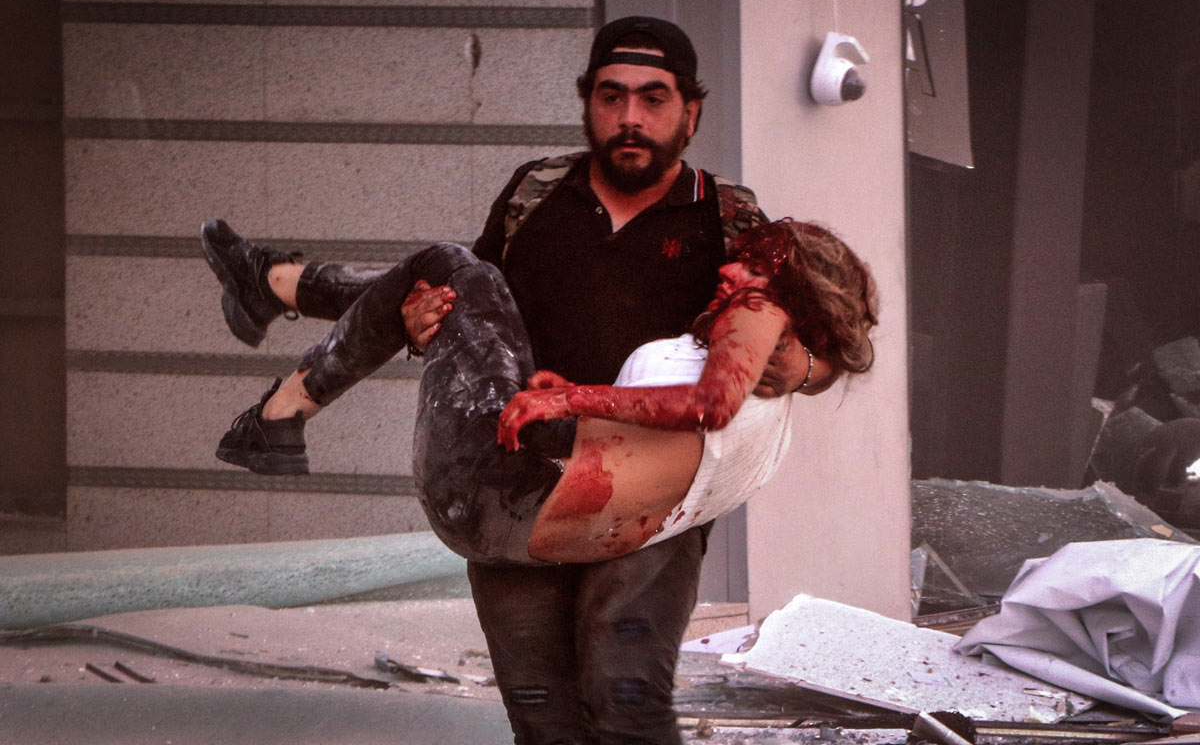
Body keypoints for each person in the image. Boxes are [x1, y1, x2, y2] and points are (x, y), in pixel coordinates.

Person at [201, 16, 834, 744]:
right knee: (541, 718)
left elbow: (827, 348)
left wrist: (800, 367)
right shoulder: (534, 192)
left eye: (654, 98)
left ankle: (280, 294)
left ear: (692, 112)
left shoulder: (731, 220)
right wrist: (416, 326)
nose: (630, 117)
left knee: (625, 706)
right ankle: (280, 290)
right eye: (610, 95)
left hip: (643, 499)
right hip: (520, 473)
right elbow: (465, 311)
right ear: (585, 100)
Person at [210, 219, 876, 563]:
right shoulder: (778, 421)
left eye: (753, 264)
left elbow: (707, 405)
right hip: (513, 531)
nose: (731, 269)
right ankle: (276, 284)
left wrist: (567, 399)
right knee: (471, 289)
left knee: (451, 268)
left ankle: (283, 408)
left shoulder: (759, 318)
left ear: (792, 299)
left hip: (494, 480)